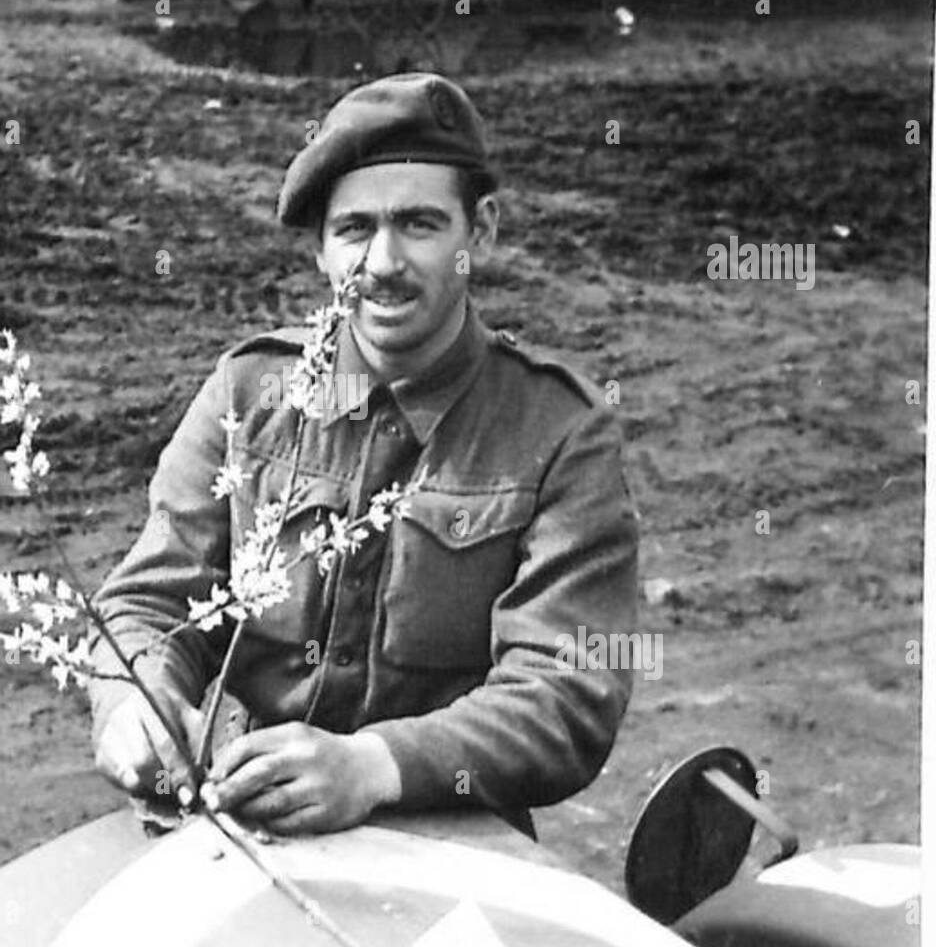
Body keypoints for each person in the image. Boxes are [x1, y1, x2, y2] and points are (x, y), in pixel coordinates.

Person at [87, 72, 639, 836]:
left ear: (480, 232)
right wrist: (136, 707)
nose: (382, 263)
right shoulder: (251, 395)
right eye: (354, 230)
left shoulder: (559, 430)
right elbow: (144, 604)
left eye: (418, 224)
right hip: (244, 825)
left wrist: (375, 766)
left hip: (455, 844)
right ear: (320, 249)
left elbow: (567, 689)